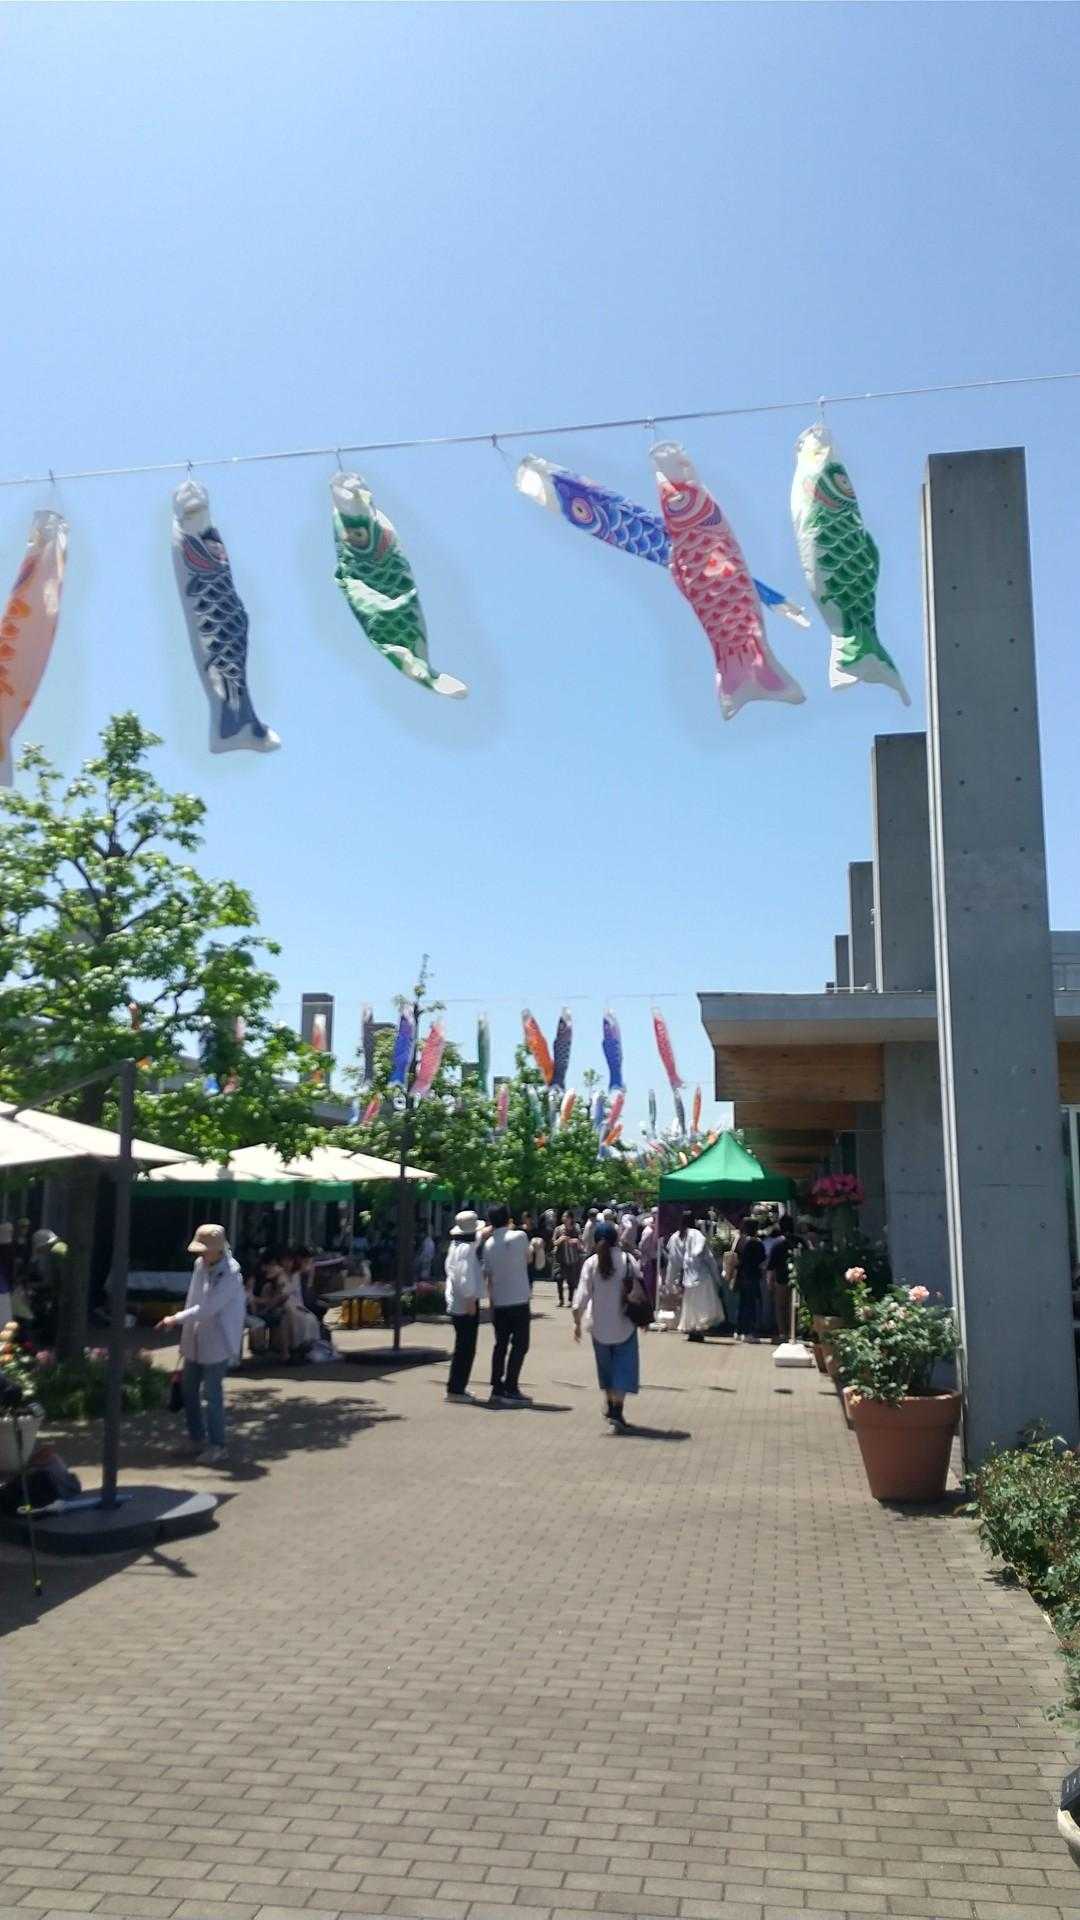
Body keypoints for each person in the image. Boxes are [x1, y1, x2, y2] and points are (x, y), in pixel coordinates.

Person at [160, 1224, 247, 1464]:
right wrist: (185, 1335)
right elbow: (194, 1300)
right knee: (188, 1390)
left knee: (212, 1394)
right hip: (196, 1338)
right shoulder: (200, 1265)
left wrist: (175, 1319)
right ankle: (196, 1438)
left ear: (217, 1249)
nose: (200, 1254)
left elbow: (208, 1308)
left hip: (218, 1341)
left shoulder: (231, 1274)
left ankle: (218, 1445)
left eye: (204, 1249)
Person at [572, 1221, 646, 1430]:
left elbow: (581, 1297)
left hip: (599, 1327)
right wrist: (644, 1319)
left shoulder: (591, 1263)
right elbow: (640, 1289)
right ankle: (617, 1410)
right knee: (623, 1369)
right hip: (624, 1325)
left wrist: (577, 1323)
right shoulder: (627, 1259)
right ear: (616, 1239)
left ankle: (610, 1404)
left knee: (606, 1370)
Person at [480, 1204, 532, 1406]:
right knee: (520, 1344)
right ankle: (511, 1386)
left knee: (500, 1345)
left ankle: (497, 1386)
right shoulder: (519, 1236)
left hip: (499, 1301)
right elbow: (528, 1259)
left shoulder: (488, 1245)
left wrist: (491, 1302)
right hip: (519, 1299)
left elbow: (488, 1277)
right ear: (508, 1218)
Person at [444, 1210, 484, 1401]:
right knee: (466, 1348)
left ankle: (458, 1386)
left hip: (457, 1302)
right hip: (465, 1304)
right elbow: (464, 1276)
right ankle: (456, 1389)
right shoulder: (466, 1250)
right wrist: (470, 1299)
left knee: (463, 1346)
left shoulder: (456, 1246)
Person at [666, 1211, 724, 1341]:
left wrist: (669, 1282)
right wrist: (718, 1280)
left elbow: (673, 1262)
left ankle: (692, 1330)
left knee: (690, 1305)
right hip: (702, 1276)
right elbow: (709, 1259)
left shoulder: (675, 1237)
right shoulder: (697, 1234)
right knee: (702, 1305)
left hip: (687, 1277)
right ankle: (698, 1331)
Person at [765, 1213, 795, 1346]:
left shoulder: (777, 1244)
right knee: (793, 1307)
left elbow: (771, 1266)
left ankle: (783, 1333)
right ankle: (794, 1331)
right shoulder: (798, 1241)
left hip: (781, 1279)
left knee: (781, 1307)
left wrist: (769, 1282)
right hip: (796, 1280)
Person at [734, 1220, 766, 1341]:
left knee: (742, 1304)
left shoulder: (740, 1241)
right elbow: (762, 1258)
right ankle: (748, 1333)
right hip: (752, 1276)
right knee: (751, 1305)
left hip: (741, 1276)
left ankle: (739, 1331)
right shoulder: (756, 1243)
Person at [551, 1210, 585, 1307]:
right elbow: (554, 1242)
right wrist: (560, 1240)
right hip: (560, 1259)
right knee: (559, 1278)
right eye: (563, 1217)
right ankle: (561, 1300)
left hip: (572, 1258)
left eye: (566, 1217)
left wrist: (576, 1241)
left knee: (571, 1281)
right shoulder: (558, 1229)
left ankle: (570, 1300)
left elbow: (581, 1242)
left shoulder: (576, 1228)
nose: (564, 1219)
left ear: (571, 1219)